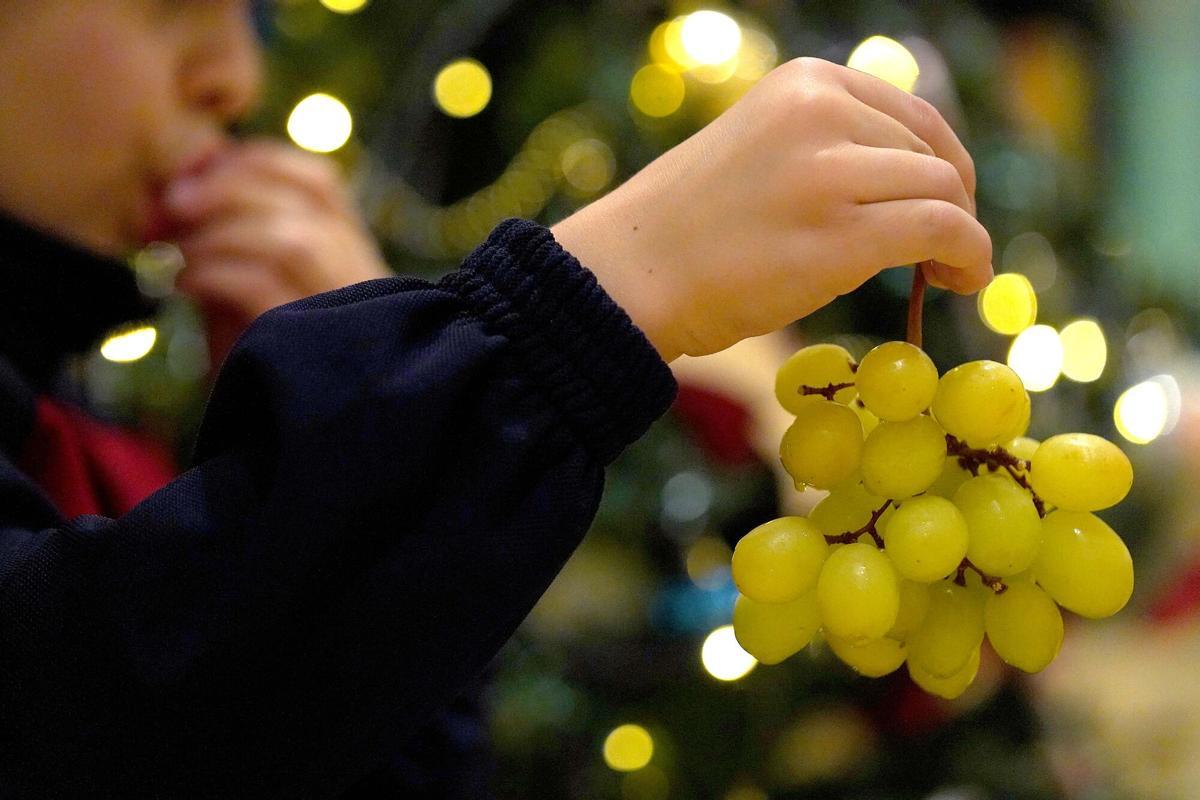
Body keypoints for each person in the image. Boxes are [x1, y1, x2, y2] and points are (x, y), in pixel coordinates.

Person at [0, 1, 992, 796]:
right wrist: (584, 301)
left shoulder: (72, 406)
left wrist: (349, 436)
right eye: (174, 5)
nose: (236, 77)